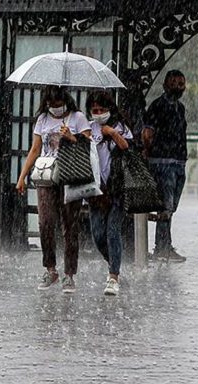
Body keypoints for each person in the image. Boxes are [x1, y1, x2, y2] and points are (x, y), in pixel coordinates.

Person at [16, 86, 91, 294]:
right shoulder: (42, 119)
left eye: (58, 104)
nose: (55, 108)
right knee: (46, 222)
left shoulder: (77, 118)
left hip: (70, 176)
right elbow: (35, 149)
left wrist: (71, 137)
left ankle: (69, 273)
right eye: (51, 105)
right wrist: (22, 176)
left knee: (70, 225)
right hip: (47, 176)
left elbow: (88, 146)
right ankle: (50, 268)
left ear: (65, 101)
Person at [86, 91, 132, 296]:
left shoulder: (120, 126)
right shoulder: (88, 128)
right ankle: (114, 262)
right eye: (94, 110)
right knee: (98, 234)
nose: (98, 113)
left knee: (113, 230)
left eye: (102, 110)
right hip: (96, 190)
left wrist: (112, 132)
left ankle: (113, 276)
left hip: (117, 188)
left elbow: (127, 147)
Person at [142, 69, 188, 262]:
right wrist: (149, 154)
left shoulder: (180, 108)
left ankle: (164, 244)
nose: (179, 87)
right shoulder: (157, 107)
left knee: (171, 206)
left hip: (178, 162)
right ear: (165, 85)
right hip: (162, 162)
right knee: (165, 206)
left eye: (181, 83)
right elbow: (147, 134)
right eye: (175, 83)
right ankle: (162, 246)